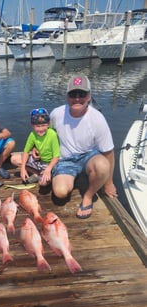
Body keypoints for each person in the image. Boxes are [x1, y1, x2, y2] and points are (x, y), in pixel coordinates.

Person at [50, 74, 117, 219]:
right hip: (65, 160)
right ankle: (77, 178)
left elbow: (108, 151)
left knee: (102, 165)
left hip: (88, 156)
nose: (77, 98)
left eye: (82, 94)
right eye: (73, 94)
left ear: (89, 96)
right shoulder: (56, 113)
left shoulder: (97, 119)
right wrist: (36, 148)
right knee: (60, 193)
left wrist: (109, 183)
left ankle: (88, 195)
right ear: (67, 96)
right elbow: (47, 134)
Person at [13, 108, 60, 186]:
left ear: (48, 124)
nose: (41, 129)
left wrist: (48, 169)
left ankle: (45, 174)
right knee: (14, 159)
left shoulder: (52, 135)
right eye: (37, 126)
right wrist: (23, 168)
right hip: (39, 161)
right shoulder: (32, 134)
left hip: (50, 163)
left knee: (43, 183)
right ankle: (37, 173)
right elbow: (26, 151)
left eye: (43, 125)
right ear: (32, 126)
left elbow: (56, 156)